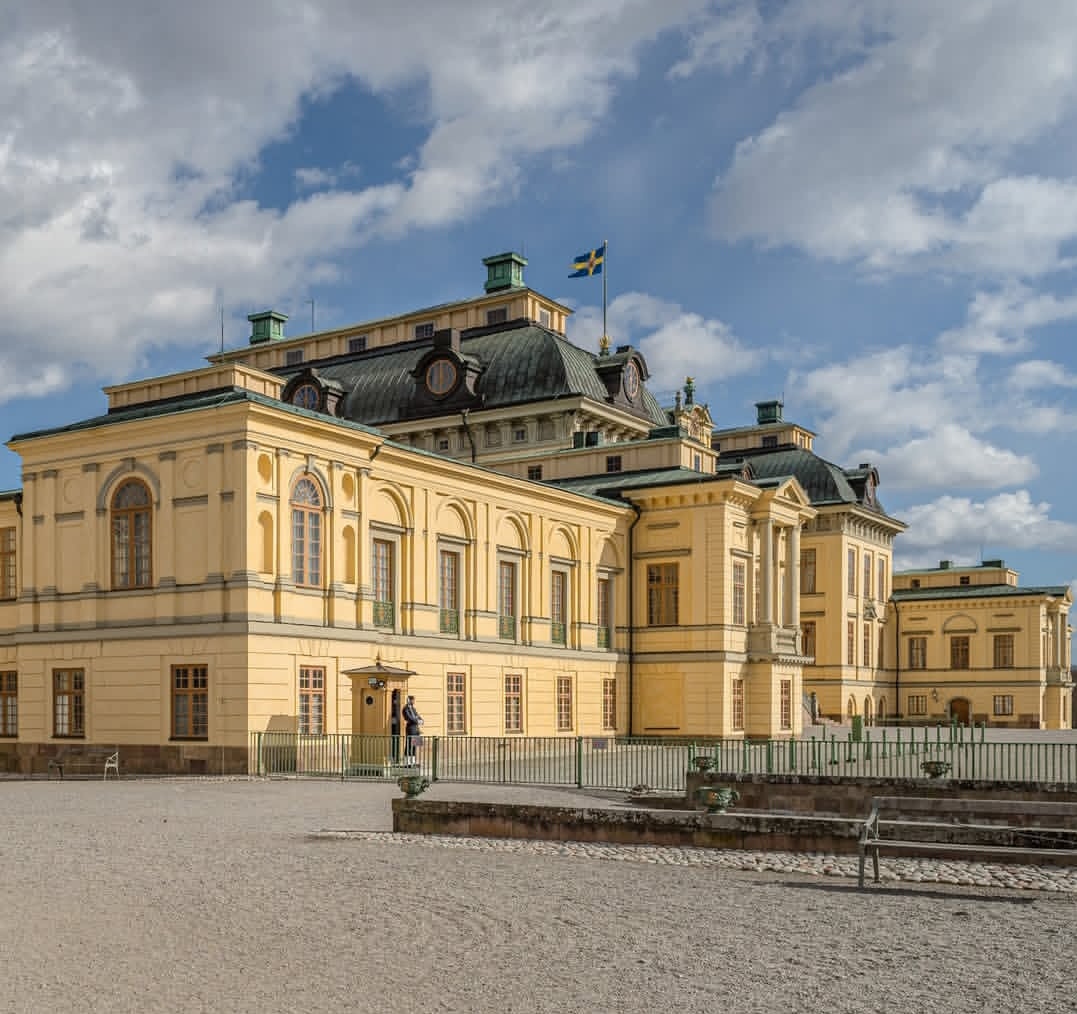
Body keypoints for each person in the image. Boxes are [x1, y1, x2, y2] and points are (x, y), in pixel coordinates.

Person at [402, 695, 423, 766]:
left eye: (414, 700)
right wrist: (417, 721)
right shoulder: (405, 709)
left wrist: (421, 720)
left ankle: (413, 761)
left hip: (416, 729)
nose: (413, 701)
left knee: (415, 745)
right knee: (409, 745)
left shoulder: (413, 708)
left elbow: (418, 716)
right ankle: (407, 762)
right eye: (412, 700)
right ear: (409, 700)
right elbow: (409, 718)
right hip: (410, 728)